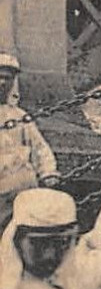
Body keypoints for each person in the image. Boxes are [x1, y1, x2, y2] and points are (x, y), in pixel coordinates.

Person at [0, 53, 60, 219]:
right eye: (0, 77)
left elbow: (39, 147)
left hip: (20, 197)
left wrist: (48, 172)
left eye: (7, 79)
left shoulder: (20, 116)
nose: (2, 83)